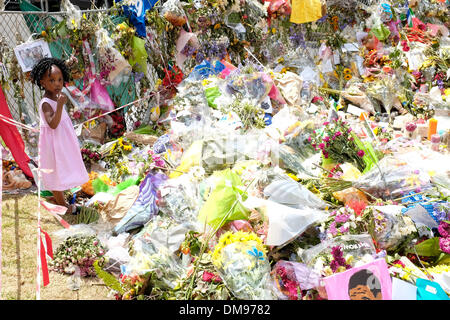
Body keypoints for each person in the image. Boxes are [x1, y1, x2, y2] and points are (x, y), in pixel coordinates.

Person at [30, 57, 89, 213]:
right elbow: (53, 124)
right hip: (53, 144)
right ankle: (62, 204)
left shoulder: (57, 97)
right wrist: (61, 105)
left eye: (60, 79)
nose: (57, 83)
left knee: (64, 166)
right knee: (55, 171)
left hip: (63, 141)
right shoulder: (46, 102)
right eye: (52, 80)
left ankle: (64, 194)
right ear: (42, 82)